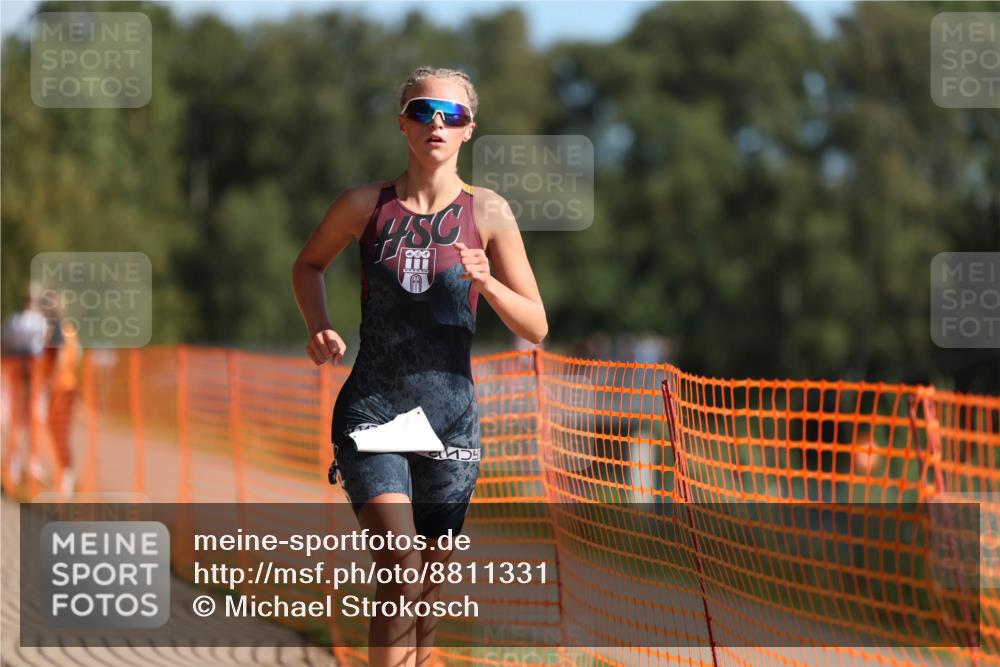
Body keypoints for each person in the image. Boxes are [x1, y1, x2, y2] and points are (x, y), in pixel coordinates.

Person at [292, 66, 547, 667]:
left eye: (451, 114)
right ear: (402, 122)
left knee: (429, 589)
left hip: (452, 422)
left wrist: (489, 281)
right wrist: (318, 326)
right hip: (375, 409)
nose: (437, 122)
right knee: (400, 566)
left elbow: (535, 324)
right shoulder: (362, 206)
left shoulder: (488, 213)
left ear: (468, 131)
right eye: (424, 110)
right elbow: (308, 266)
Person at [2, 283, 49, 487]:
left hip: (15, 373)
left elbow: (4, 345)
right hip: (33, 374)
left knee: (16, 423)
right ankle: (32, 468)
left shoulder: (12, 321)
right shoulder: (41, 322)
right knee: (34, 421)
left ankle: (13, 466)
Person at [39, 289, 81, 497]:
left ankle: (66, 477)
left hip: (62, 387)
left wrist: (50, 383)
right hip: (61, 386)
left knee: (60, 431)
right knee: (54, 429)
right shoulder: (61, 329)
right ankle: (63, 474)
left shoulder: (60, 330)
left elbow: (62, 360)